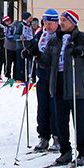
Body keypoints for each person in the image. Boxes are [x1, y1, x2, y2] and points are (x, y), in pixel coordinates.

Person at [38, 10, 84, 166]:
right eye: (61, 19)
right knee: (60, 121)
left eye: (65, 20)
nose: (62, 22)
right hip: (58, 83)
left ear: (73, 22)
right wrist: (35, 55)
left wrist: (82, 53)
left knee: (79, 120)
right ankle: (65, 151)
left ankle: (83, 152)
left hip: (76, 84)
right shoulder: (56, 39)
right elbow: (46, 60)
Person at [25, 9, 60, 152]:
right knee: (42, 107)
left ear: (56, 22)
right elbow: (34, 46)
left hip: (55, 76)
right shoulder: (41, 34)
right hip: (42, 74)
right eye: (46, 23)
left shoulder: (60, 36)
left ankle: (57, 136)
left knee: (55, 108)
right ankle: (43, 136)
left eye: (50, 23)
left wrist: (38, 55)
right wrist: (29, 52)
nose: (48, 26)